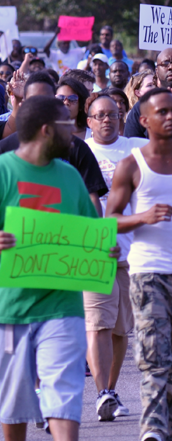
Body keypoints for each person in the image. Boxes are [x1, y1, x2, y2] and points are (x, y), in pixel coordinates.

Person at [0, 96, 120, 441]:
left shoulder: (71, 177)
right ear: (46, 131)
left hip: (63, 306)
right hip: (10, 309)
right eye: (65, 126)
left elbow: (88, 233)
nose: (73, 132)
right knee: (15, 398)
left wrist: (104, 247)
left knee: (64, 391)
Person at [105, 87, 172, 441]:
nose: (170, 116)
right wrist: (143, 217)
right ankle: (153, 429)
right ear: (144, 120)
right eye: (162, 111)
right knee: (154, 356)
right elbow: (111, 218)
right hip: (149, 272)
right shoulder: (132, 164)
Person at [83, 92, 142, 421]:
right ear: (89, 121)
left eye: (113, 114)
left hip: (132, 250)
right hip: (93, 250)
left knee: (121, 329)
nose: (108, 119)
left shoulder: (136, 149)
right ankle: (102, 391)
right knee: (98, 324)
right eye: (100, 115)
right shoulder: (80, 152)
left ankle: (110, 390)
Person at [0, 71, 108, 215]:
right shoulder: (4, 149)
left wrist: (93, 233)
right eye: (34, 100)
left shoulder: (77, 150)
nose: (40, 106)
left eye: (46, 99)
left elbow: (92, 201)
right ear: (23, 103)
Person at [125, 48, 172, 139]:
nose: (170, 67)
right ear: (157, 72)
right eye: (166, 63)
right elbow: (132, 145)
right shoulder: (141, 107)